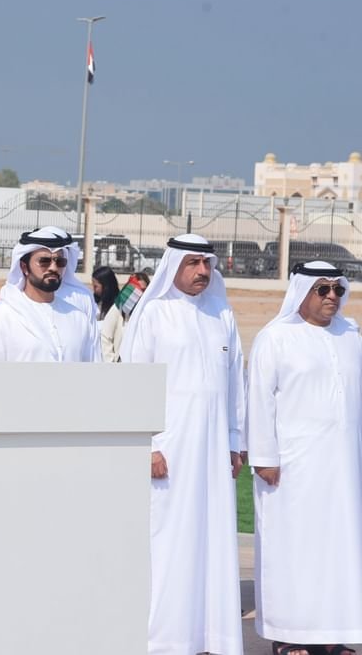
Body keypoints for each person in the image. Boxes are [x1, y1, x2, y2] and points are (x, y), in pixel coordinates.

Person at [119, 234, 245, 655]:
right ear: (174, 266)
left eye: (207, 263)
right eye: (193, 263)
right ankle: (167, 640)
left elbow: (235, 382)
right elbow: (136, 383)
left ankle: (212, 638)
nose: (202, 271)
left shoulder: (221, 313)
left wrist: (234, 441)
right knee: (171, 541)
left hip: (214, 449)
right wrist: (149, 445)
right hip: (171, 448)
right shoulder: (153, 313)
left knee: (214, 540)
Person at [247, 262, 362, 655]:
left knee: (338, 551)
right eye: (322, 289)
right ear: (302, 292)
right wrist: (264, 456)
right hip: (292, 469)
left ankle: (331, 638)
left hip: (343, 468)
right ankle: (289, 635)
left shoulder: (350, 335)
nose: (332, 296)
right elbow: (259, 400)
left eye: (337, 289)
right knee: (294, 551)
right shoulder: (276, 337)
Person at [0, 228, 100, 362]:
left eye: (60, 262)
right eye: (44, 261)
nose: (53, 268)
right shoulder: (1, 318)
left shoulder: (78, 318)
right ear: (24, 267)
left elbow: (93, 368)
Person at [100, 271, 149, 362]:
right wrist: (111, 361)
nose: (138, 293)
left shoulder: (149, 311)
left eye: (143, 290)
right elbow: (105, 336)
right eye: (135, 289)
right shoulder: (118, 308)